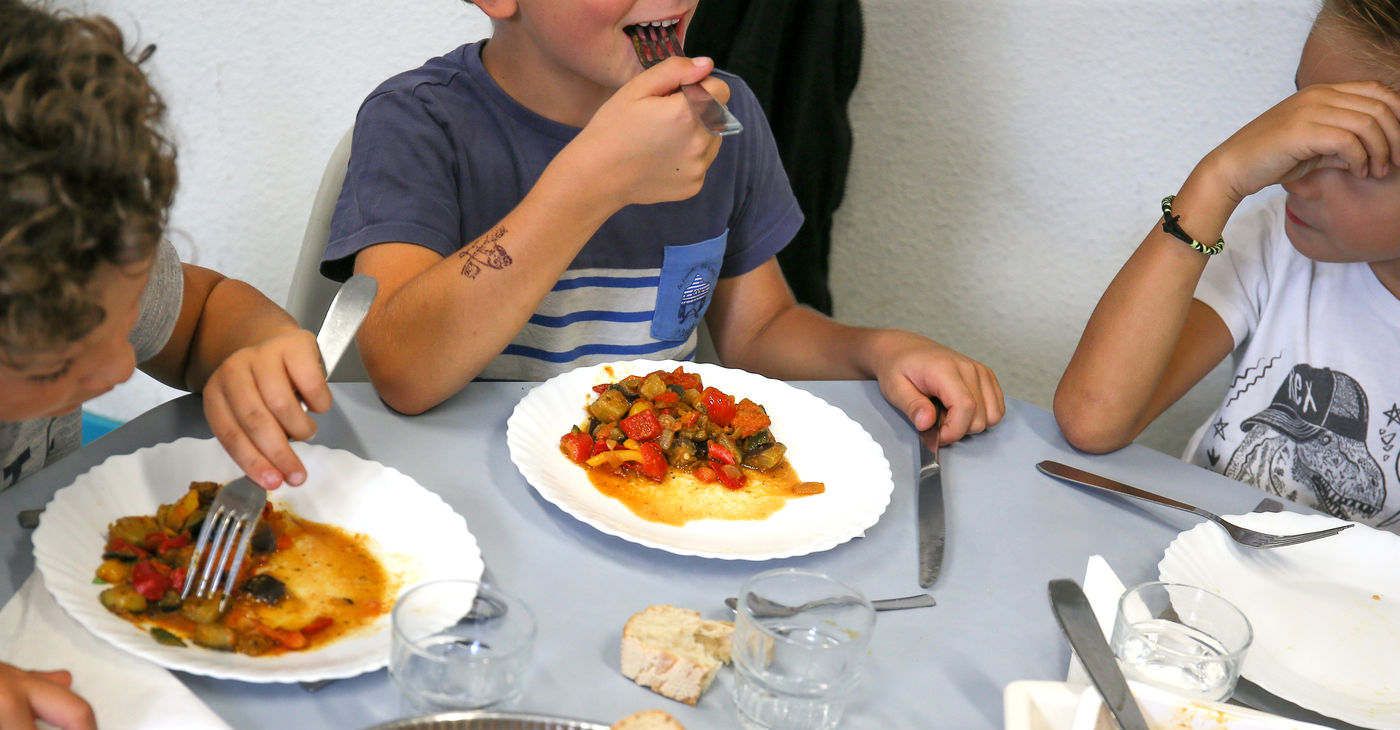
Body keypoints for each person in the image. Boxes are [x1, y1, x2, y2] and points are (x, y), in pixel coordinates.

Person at [322, 1, 1004, 443]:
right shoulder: (418, 120)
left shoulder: (716, 114)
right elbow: (404, 369)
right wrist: (590, 183)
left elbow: (759, 330)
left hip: (651, 494)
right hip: (464, 490)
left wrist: (877, 350)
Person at [0, 1, 332, 730]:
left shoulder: (73, 246)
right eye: (62, 363)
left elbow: (205, 313)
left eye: (124, 320)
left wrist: (255, 345)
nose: (123, 368)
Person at [1055, 0, 1400, 530]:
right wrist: (1218, 178)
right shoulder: (1277, 243)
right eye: (1303, 119)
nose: (1291, 173)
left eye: (1350, 154)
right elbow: (1092, 418)